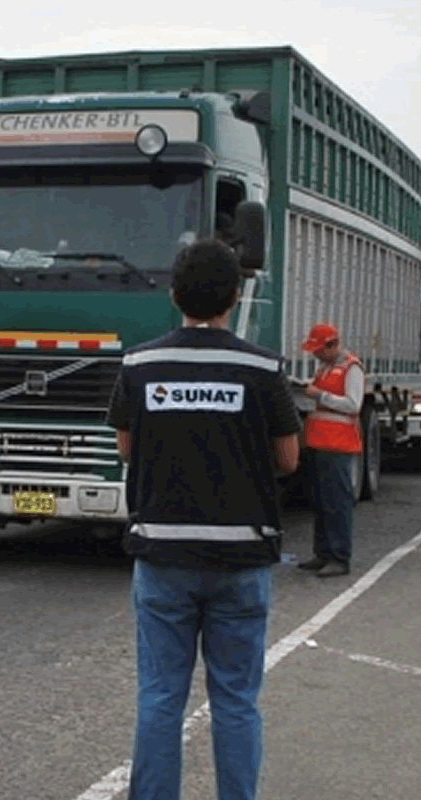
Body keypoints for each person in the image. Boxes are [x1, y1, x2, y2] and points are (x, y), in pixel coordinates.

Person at [108, 239, 301, 800]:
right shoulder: (263, 368)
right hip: (241, 555)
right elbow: (289, 458)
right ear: (236, 298)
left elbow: (125, 448)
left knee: (161, 698)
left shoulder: (140, 364)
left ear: (174, 295)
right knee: (237, 700)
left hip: (163, 555)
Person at [297, 322, 364, 578]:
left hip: (337, 444)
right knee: (321, 502)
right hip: (319, 442)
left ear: (332, 345)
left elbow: (353, 404)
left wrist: (319, 395)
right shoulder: (326, 367)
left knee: (337, 503)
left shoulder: (351, 368)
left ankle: (339, 556)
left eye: (317, 349)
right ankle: (323, 552)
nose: (314, 354)